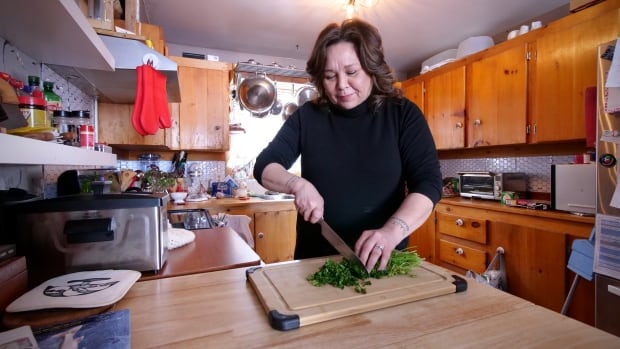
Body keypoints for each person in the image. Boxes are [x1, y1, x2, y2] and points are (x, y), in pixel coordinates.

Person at [253, 18, 442, 272]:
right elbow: (266, 164)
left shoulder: (403, 114)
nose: (341, 85)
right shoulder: (308, 116)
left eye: (351, 72)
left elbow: (428, 183)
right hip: (315, 264)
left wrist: (391, 232)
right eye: (330, 76)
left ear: (372, 69)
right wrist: (297, 185)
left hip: (382, 262)